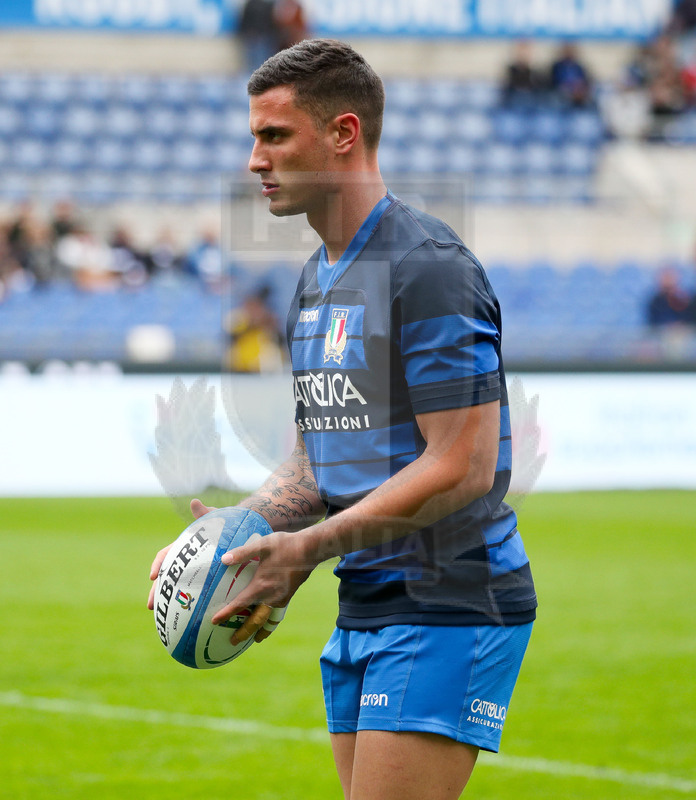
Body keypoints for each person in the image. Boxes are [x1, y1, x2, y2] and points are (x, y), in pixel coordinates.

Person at [148, 39, 536, 799]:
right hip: (366, 601)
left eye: (274, 136)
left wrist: (310, 548)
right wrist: (233, 536)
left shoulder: (428, 269)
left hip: (449, 601)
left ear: (343, 134)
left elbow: (462, 464)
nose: (254, 159)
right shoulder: (316, 279)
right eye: (254, 137)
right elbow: (314, 460)